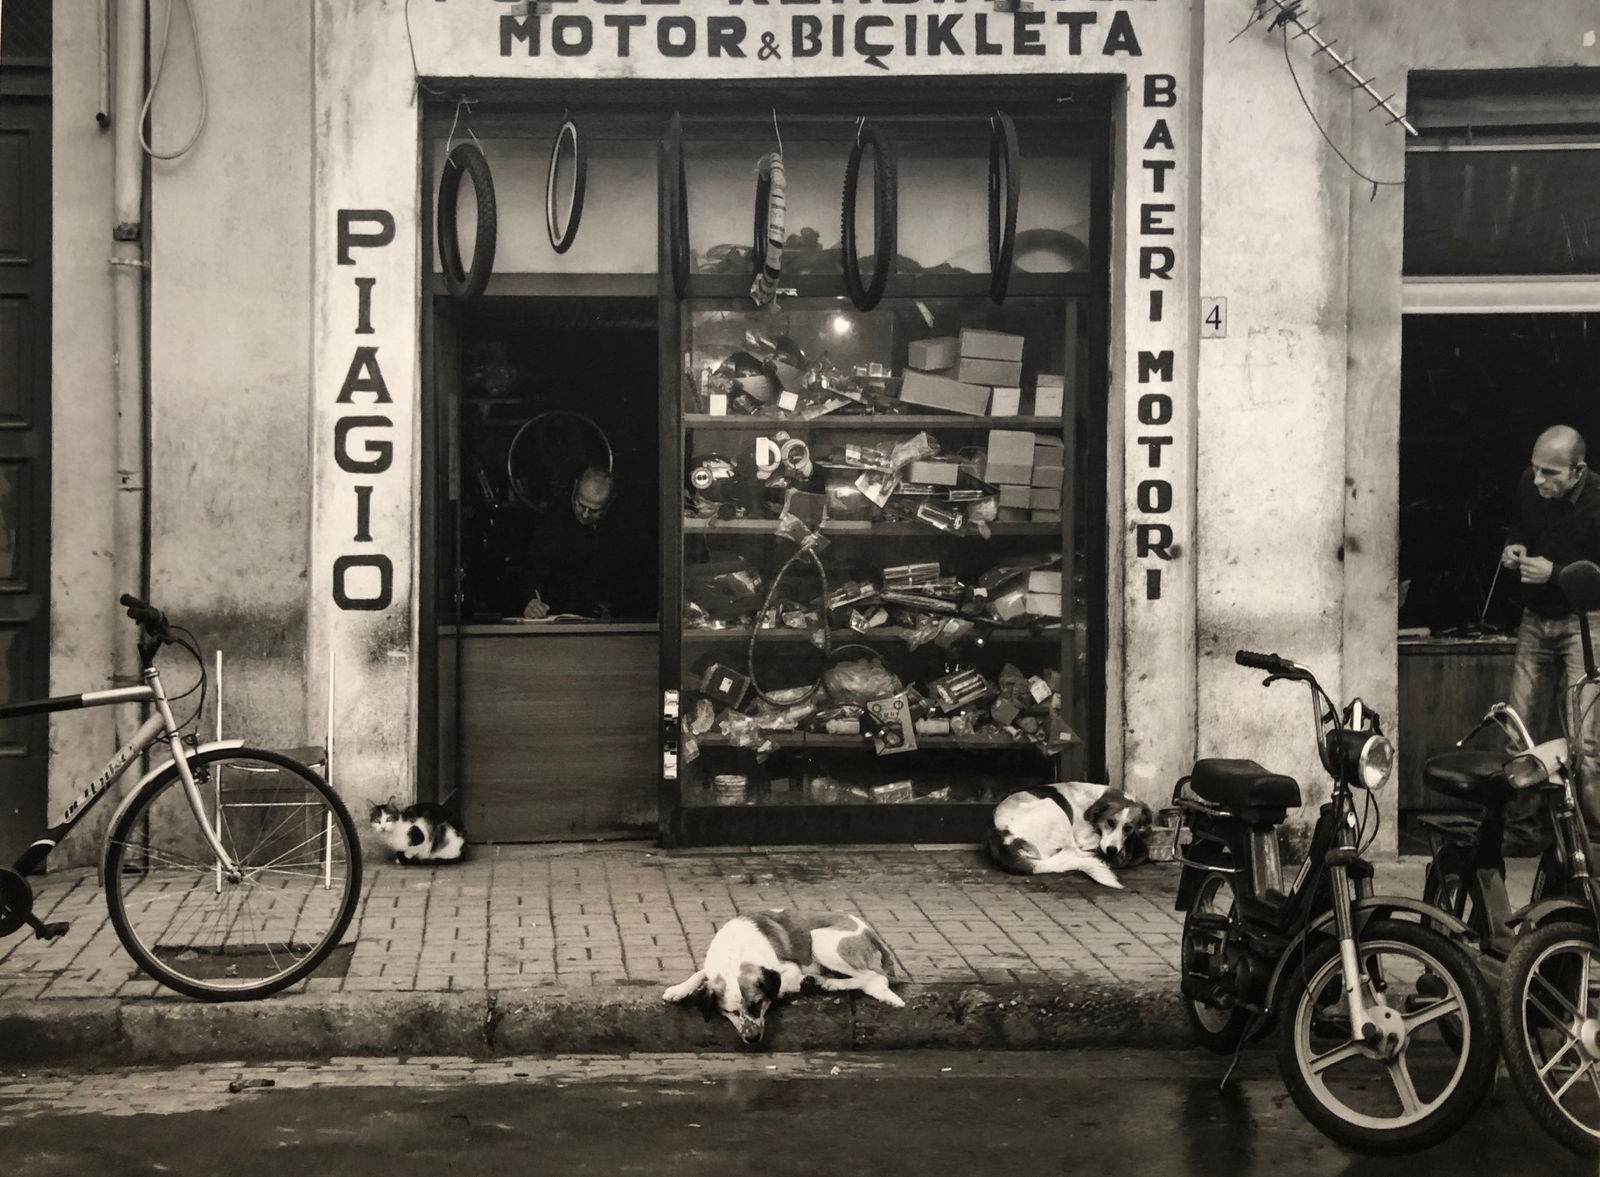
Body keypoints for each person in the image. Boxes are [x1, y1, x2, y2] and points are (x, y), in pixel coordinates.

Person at [1499, 424, 1600, 850]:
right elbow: (1519, 525)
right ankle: (1521, 831)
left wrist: (1555, 573)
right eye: (1535, 469)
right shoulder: (1529, 485)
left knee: (1587, 738)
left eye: (1551, 474)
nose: (1539, 480)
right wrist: (1514, 546)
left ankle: (1589, 839)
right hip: (1536, 619)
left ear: (1577, 472)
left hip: (1587, 622)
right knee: (1519, 726)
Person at [520, 466, 619, 620]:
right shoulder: (552, 521)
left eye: (594, 510)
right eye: (581, 505)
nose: (585, 515)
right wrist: (531, 601)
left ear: (610, 502)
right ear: (575, 486)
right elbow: (532, 570)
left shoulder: (623, 525)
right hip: (561, 620)